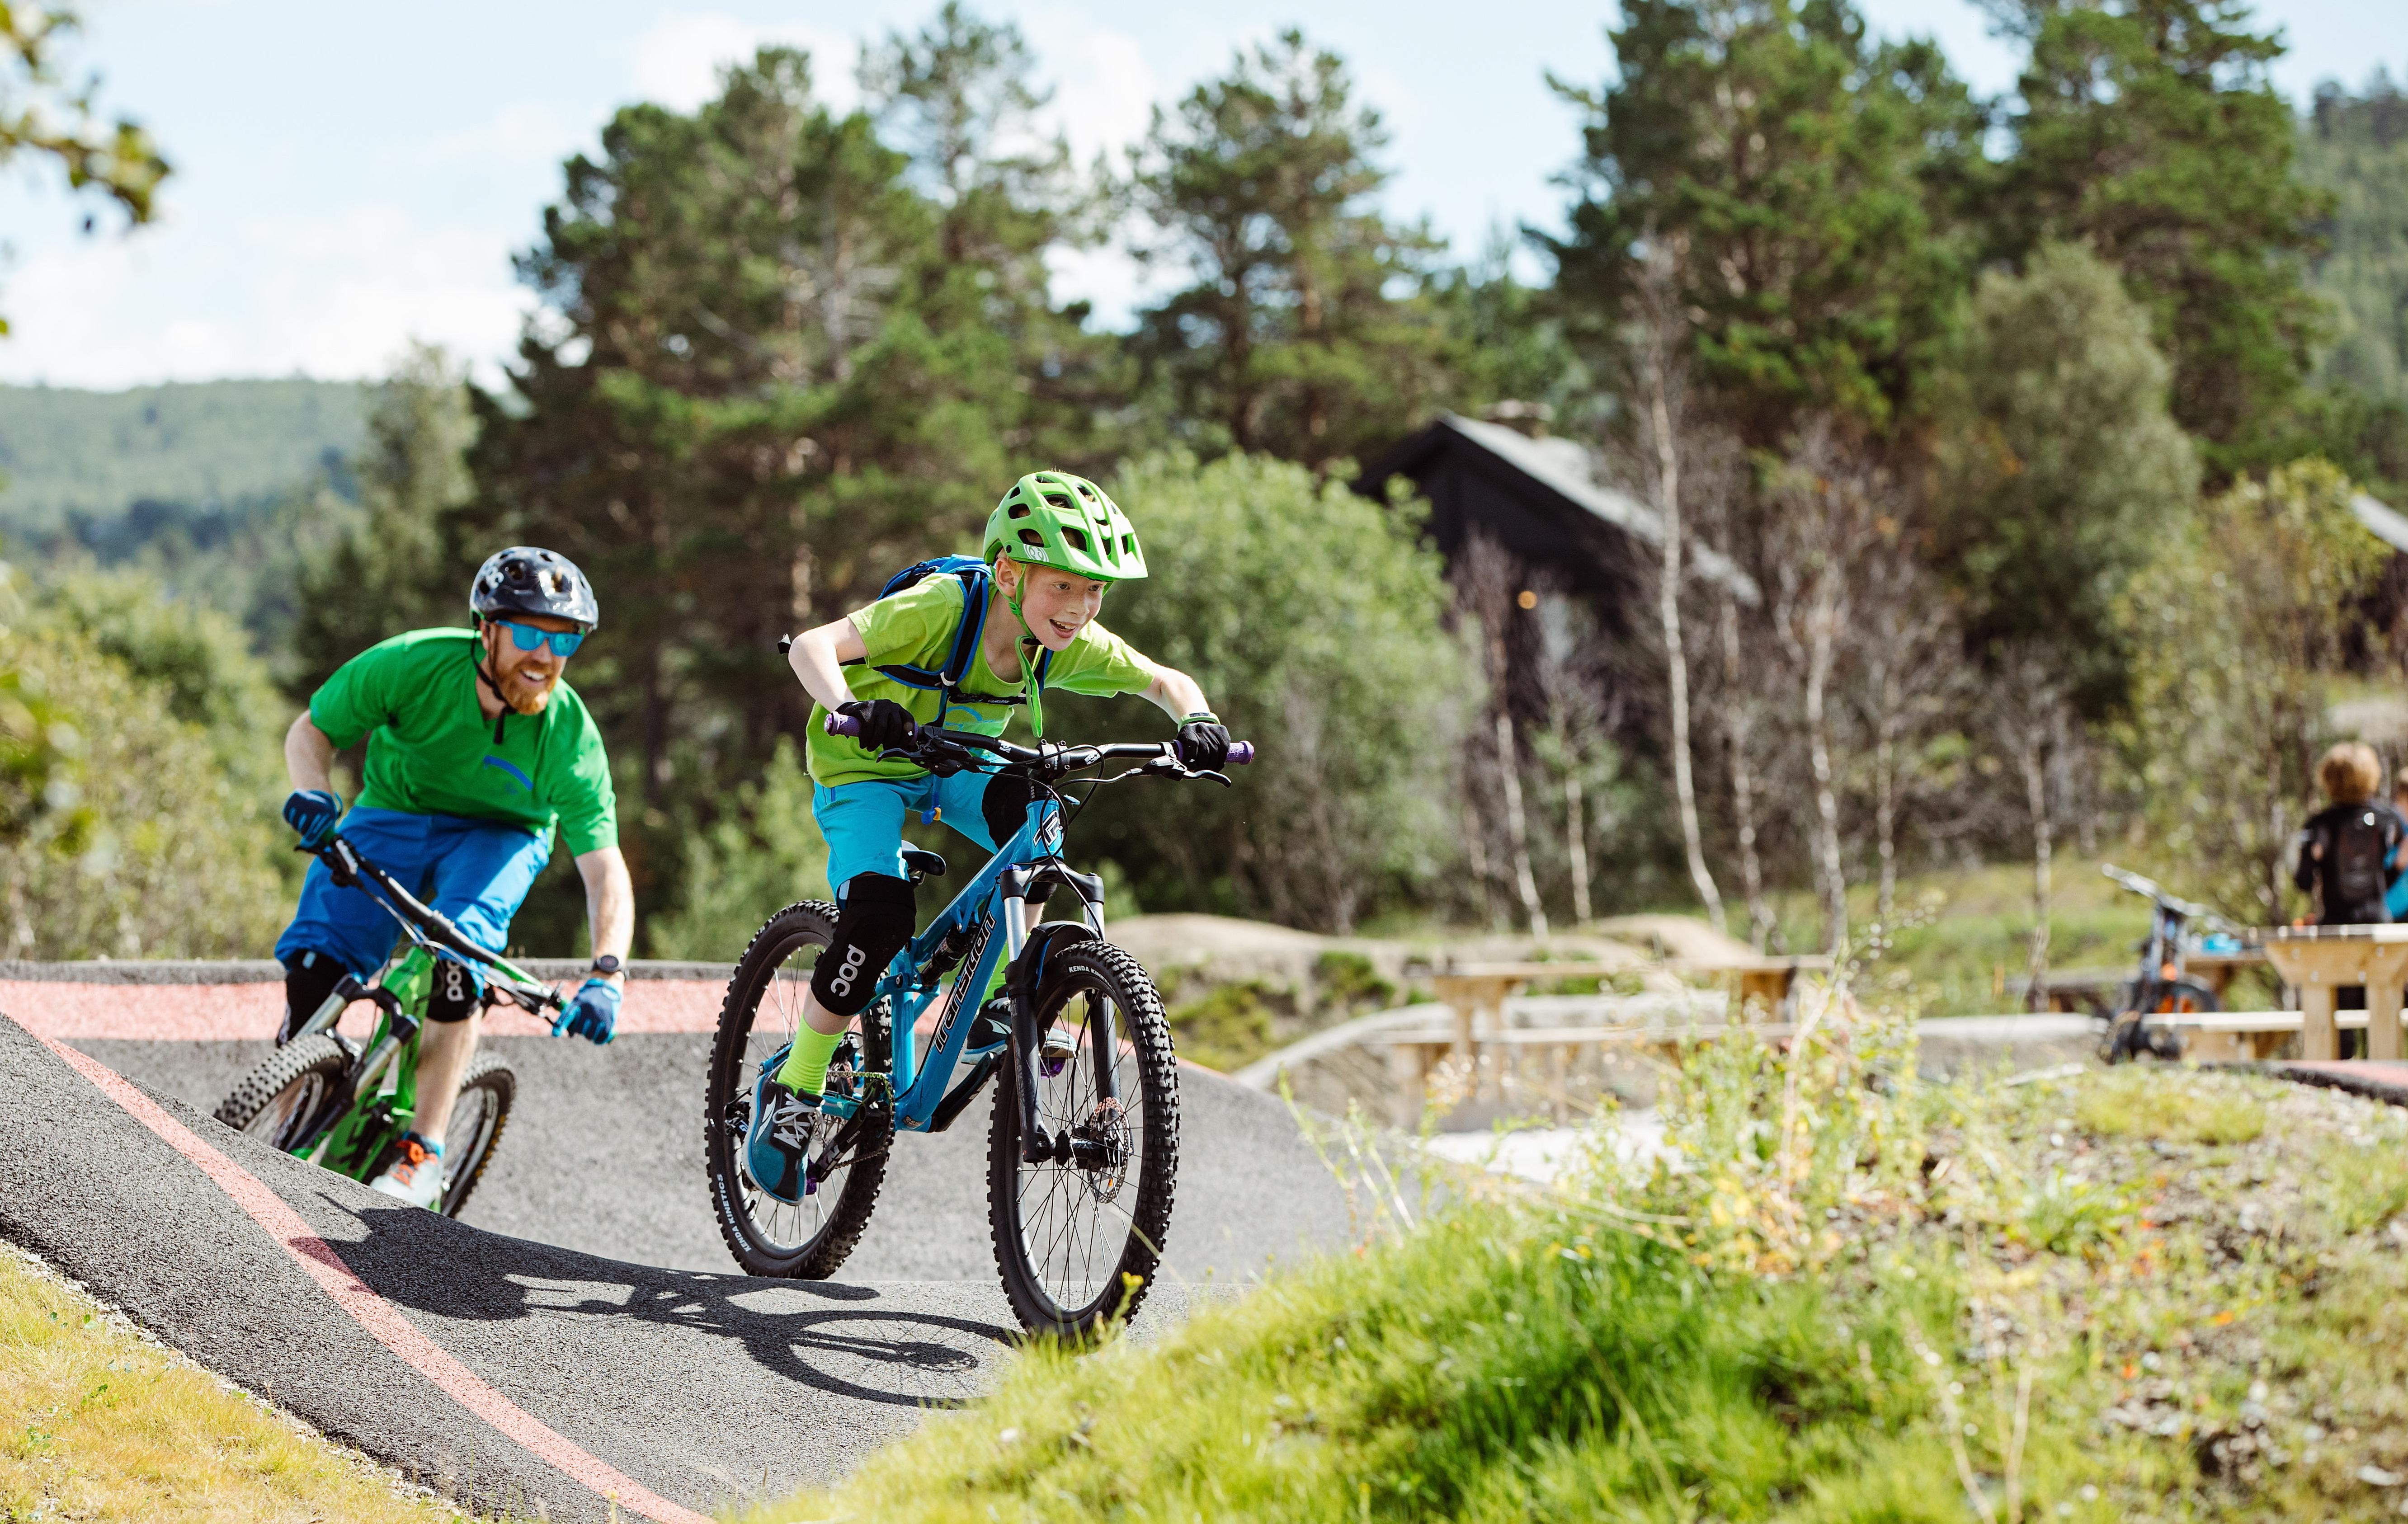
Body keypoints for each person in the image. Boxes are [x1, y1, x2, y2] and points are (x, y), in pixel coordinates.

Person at [745, 470, 1228, 1203]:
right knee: (877, 917)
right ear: (1009, 573)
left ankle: (1000, 995)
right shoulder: (938, 608)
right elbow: (810, 646)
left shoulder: (1065, 642)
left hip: (961, 765)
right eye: (1064, 586)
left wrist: (1198, 723)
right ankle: (797, 1085)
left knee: (1041, 818)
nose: (1081, 607)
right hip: (864, 766)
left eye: (1095, 590)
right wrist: (851, 707)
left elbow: (1163, 681)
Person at [275, 547, 634, 1209]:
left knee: (461, 952)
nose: (546, 656)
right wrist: (315, 795)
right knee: (315, 958)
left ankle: (424, 1150)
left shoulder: (570, 735)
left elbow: (603, 865)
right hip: (395, 811)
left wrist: (607, 973)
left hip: (501, 837)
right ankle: (286, 1108)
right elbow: (312, 732)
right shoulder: (412, 663)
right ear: (487, 630)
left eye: (565, 640)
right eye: (530, 634)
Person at [2295, 741, 2405, 1059]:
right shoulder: (2389, 821)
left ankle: (2339, 1081)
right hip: (2378, 927)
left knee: (2339, 1015)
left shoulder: (2319, 826)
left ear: (2328, 778)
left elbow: (2302, 880)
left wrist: (2314, 857)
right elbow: (2395, 872)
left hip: (2335, 931)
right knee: (2384, 1008)